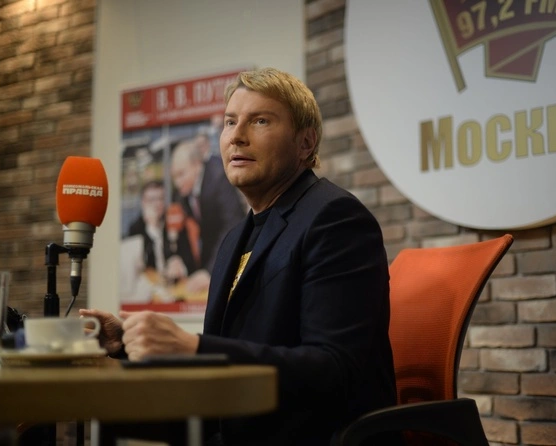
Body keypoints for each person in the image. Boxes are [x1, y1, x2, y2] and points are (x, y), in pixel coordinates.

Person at [81, 67, 396, 445]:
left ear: (306, 142)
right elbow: (237, 351)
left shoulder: (336, 219)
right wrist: (130, 344)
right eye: (230, 122)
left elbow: (334, 370)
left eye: (260, 121)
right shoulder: (234, 238)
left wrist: (193, 347)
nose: (237, 136)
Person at [168, 133, 246, 292]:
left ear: (197, 165)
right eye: (174, 177)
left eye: (181, 174)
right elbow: (183, 231)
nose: (177, 182)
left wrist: (211, 271)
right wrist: (176, 258)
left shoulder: (219, 177)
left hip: (237, 252)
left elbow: (233, 225)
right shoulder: (182, 194)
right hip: (211, 251)